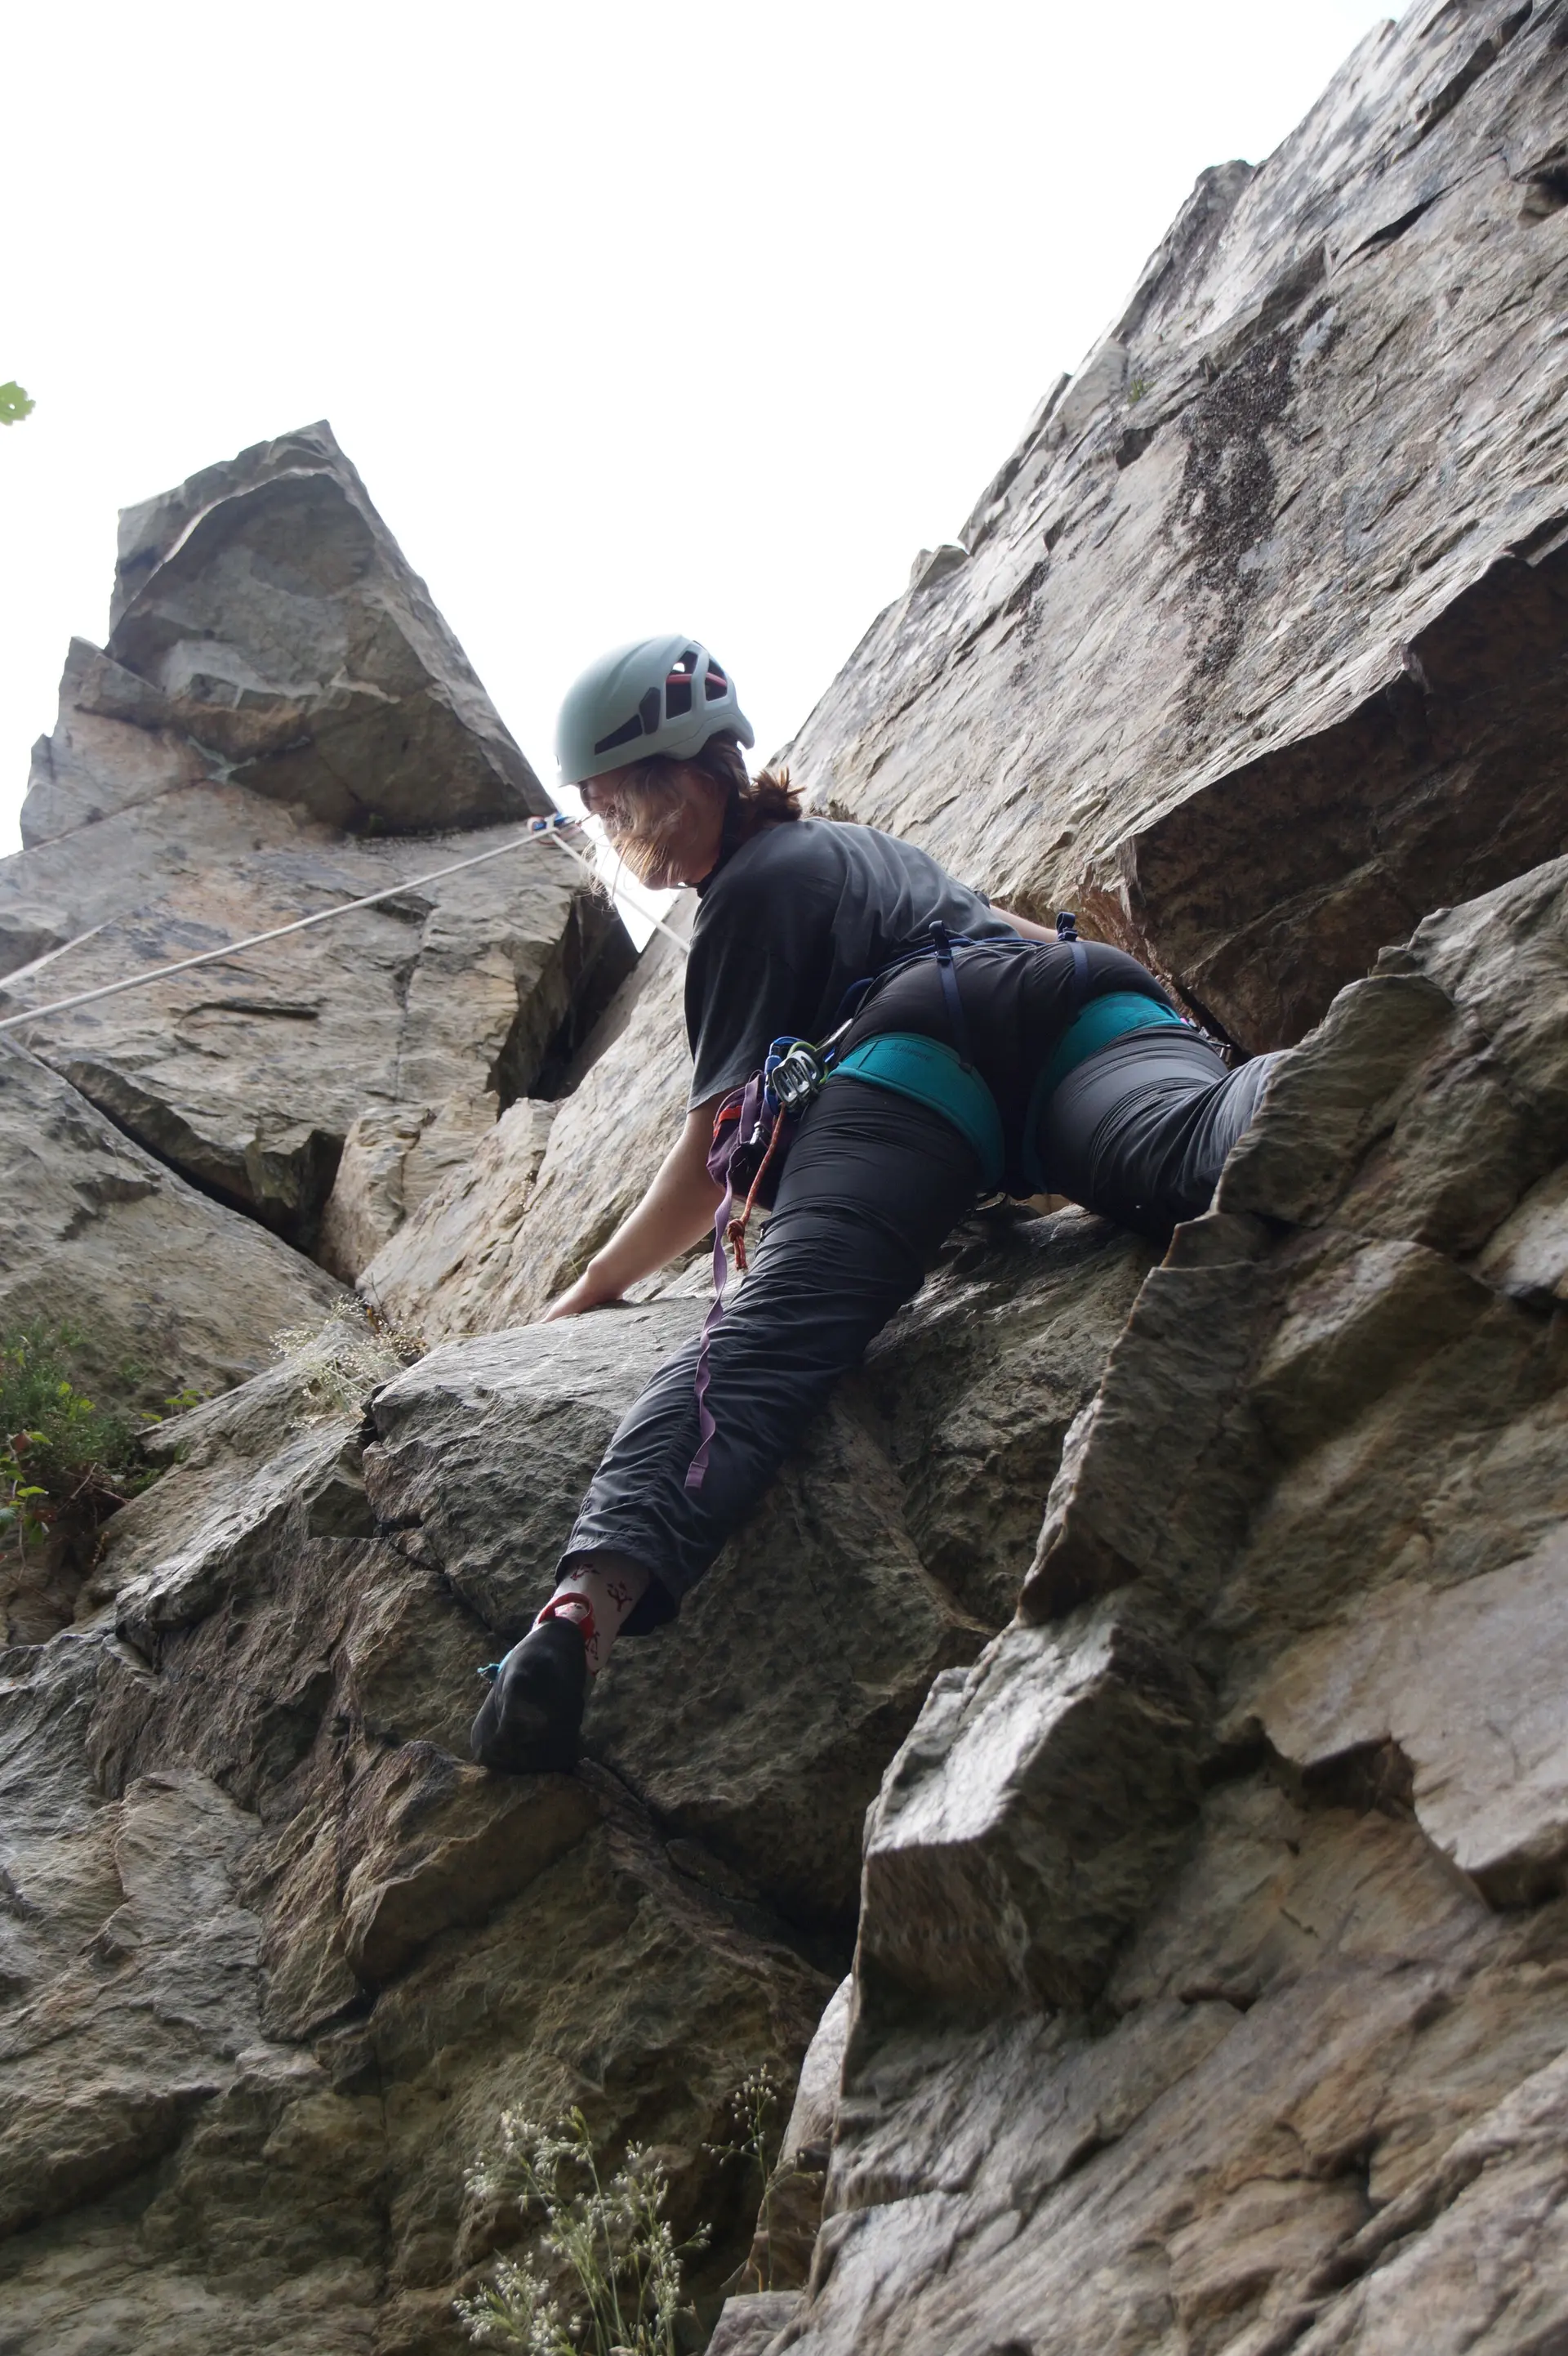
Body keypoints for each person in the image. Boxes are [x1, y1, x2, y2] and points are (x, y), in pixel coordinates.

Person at [470, 636, 1280, 1773]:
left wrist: (593, 1288)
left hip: (910, 1069)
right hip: (1076, 1006)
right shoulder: (861, 850)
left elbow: (716, 1158)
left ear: (682, 782)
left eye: (617, 804)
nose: (616, 832)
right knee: (1194, 1146)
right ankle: (1359, 1053)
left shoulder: (746, 896)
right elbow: (1000, 941)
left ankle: (578, 1617)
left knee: (778, 1328)